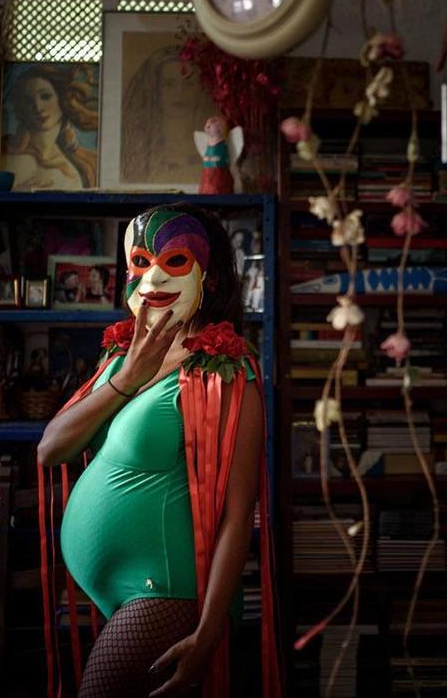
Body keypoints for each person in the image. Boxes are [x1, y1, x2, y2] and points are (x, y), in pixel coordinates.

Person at [37, 204, 281, 698]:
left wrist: (208, 632)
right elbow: (51, 450)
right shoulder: (124, 356)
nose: (152, 278)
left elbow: (238, 515)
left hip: (167, 589)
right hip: (117, 592)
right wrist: (128, 376)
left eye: (174, 261)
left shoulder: (227, 375)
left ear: (210, 277)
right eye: (140, 261)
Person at [2, 64, 99, 190]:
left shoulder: (77, 163)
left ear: (62, 99)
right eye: (28, 101)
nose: (38, 107)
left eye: (45, 96)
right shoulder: (13, 158)